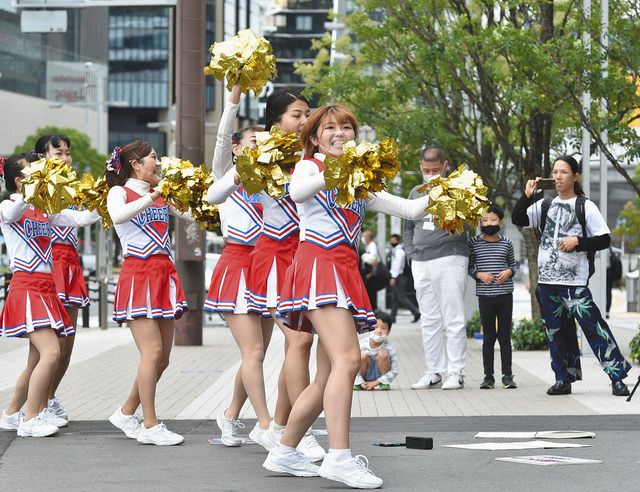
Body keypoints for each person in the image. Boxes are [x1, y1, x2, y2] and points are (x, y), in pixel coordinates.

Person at [263, 104, 430, 489]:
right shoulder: (310, 166)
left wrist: (446, 190)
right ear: (315, 136)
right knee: (349, 360)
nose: (339, 134)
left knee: (327, 376)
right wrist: (339, 171)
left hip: (342, 270)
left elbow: (408, 208)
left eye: (347, 128)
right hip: (317, 266)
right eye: (330, 128)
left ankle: (284, 449)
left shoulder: (360, 179)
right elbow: (299, 190)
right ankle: (338, 457)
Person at [207, 86, 324, 460]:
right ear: (276, 120)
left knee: (294, 345)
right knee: (295, 343)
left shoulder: (308, 155)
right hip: (273, 258)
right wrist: (233, 104)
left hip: (305, 257)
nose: (305, 120)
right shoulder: (260, 154)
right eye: (297, 114)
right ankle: (289, 430)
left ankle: (281, 425)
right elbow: (215, 190)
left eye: (308, 114)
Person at [511, 155, 631, 397]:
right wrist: (526, 195)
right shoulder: (544, 205)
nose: (557, 177)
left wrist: (578, 242)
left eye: (563, 172)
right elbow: (518, 219)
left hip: (574, 283)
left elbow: (604, 238)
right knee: (556, 333)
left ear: (575, 176)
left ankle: (617, 377)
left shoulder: (585, 206)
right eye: (555, 172)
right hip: (547, 283)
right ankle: (563, 379)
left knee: (594, 328)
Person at [0, 153, 96, 437]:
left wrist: (103, 201)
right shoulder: (8, 206)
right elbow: (13, 213)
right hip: (26, 285)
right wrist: (35, 190)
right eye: (34, 171)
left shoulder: (45, 210)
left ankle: (10, 414)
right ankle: (31, 419)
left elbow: (78, 218)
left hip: (46, 288)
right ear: (20, 180)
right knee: (52, 353)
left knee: (35, 360)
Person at [204, 84, 274, 450]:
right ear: (236, 149)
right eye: (250, 144)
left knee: (255, 354)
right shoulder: (225, 173)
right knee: (255, 354)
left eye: (262, 145)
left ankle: (230, 416)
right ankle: (266, 424)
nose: (256, 150)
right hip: (237, 264)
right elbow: (219, 140)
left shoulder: (271, 180)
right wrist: (233, 101)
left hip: (266, 265)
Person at [105, 141, 189, 445]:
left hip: (163, 273)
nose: (159, 162)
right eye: (154, 158)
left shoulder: (160, 196)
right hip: (138, 274)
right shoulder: (120, 192)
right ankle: (150, 425)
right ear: (136, 164)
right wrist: (155, 194)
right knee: (151, 353)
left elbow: (194, 217)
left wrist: (186, 192)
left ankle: (126, 413)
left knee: (162, 358)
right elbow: (118, 216)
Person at [33, 134, 101, 422]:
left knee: (68, 340)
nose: (65, 158)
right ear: (42, 158)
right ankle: (32, 405)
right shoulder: (35, 188)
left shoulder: (74, 187)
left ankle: (49, 398)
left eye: (67, 153)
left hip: (71, 261)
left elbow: (83, 218)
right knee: (49, 343)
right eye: (58, 153)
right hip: (48, 263)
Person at [405, 146, 470, 391]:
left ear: (445, 165)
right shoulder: (415, 192)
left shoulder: (460, 187)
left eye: (435, 170)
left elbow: (467, 221)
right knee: (429, 319)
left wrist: (445, 192)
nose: (430, 174)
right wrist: (411, 254)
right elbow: (409, 226)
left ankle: (456, 372)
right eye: (425, 170)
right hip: (421, 260)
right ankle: (433, 371)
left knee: (453, 317)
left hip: (450, 257)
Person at [468, 204, 517, 390]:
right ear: (480, 222)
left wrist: (509, 272)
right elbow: (469, 267)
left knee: (504, 336)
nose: (489, 223)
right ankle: (488, 377)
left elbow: (513, 264)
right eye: (485, 220)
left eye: (493, 219)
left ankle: (507, 375)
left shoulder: (507, 243)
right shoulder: (473, 243)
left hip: (505, 295)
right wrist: (479, 275)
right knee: (488, 337)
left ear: (501, 222)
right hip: (485, 296)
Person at [353, 311, 399, 391]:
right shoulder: (362, 344)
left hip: (381, 377)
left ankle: (384, 383)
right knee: (362, 355)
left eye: (383, 328)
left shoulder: (389, 347)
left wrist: (376, 382)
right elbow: (352, 364)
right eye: (375, 327)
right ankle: (360, 384)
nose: (379, 331)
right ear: (369, 328)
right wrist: (359, 381)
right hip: (364, 374)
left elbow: (395, 370)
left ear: (388, 332)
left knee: (383, 354)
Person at [387, 234, 420, 323]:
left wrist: (394, 277)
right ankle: (392, 317)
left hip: (399, 277)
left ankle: (415, 312)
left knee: (401, 297)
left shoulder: (399, 251)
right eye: (391, 240)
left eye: (393, 240)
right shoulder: (395, 250)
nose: (391, 242)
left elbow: (397, 265)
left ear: (398, 240)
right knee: (394, 298)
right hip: (397, 276)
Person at [360, 230, 381, 309]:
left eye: (365, 236)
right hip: (368, 271)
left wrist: (371, 273)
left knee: (372, 293)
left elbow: (374, 260)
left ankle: (374, 310)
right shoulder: (368, 246)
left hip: (371, 273)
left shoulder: (372, 245)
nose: (363, 238)